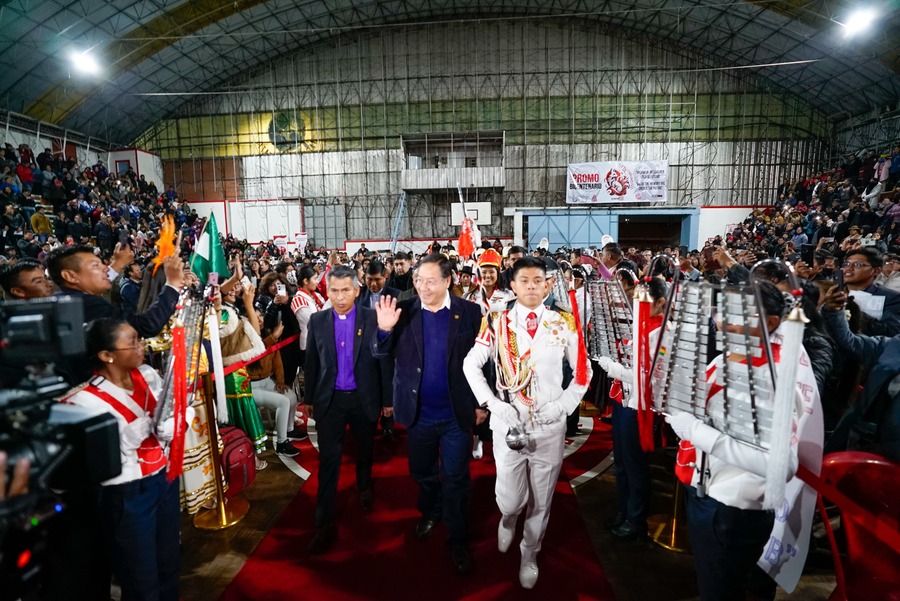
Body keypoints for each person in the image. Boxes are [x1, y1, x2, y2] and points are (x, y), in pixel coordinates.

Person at [666, 281, 822, 601]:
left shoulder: (772, 376)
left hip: (730, 508)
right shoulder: (732, 357)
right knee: (714, 580)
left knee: (722, 587)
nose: (721, 321)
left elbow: (780, 464)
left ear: (771, 323)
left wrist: (694, 430)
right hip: (708, 489)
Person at [462, 256, 590, 588]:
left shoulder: (565, 322)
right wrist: (492, 404)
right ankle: (507, 519)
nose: (531, 286)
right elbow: (470, 365)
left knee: (542, 499)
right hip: (508, 424)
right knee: (510, 499)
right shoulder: (496, 320)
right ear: (513, 285)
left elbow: (583, 373)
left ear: (549, 285)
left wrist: (563, 406)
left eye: (538, 281)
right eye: (524, 281)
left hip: (548, 427)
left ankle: (529, 552)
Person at [373, 253, 484, 574]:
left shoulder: (470, 312)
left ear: (448, 281)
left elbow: (485, 360)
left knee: (456, 477)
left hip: (457, 414)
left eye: (431, 281)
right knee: (421, 472)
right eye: (418, 280)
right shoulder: (402, 311)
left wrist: (482, 403)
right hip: (418, 413)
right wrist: (383, 331)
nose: (422, 286)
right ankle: (431, 510)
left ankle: (458, 536)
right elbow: (378, 353)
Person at [65, 319, 183, 601]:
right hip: (128, 494)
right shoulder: (83, 400)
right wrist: (139, 430)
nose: (141, 347)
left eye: (140, 339)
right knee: (141, 578)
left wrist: (176, 424)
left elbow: (175, 413)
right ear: (106, 355)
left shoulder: (149, 376)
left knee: (170, 565)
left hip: (164, 481)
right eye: (132, 342)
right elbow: (100, 458)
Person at [303, 265, 393, 553]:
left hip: (363, 399)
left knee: (365, 449)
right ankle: (324, 524)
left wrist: (386, 400)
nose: (340, 297)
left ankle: (364, 486)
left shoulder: (371, 318)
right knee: (329, 462)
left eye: (345, 290)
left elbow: (383, 361)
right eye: (334, 291)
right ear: (326, 291)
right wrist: (309, 399)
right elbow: (312, 363)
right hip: (330, 402)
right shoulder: (317, 321)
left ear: (357, 290)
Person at [596, 277, 668, 541]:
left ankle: (635, 518)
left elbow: (649, 375)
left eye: (644, 301)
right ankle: (624, 510)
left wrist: (611, 367)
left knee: (635, 465)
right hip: (623, 399)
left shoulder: (661, 331)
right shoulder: (641, 324)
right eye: (636, 300)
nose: (638, 305)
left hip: (638, 404)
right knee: (623, 463)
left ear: (660, 302)